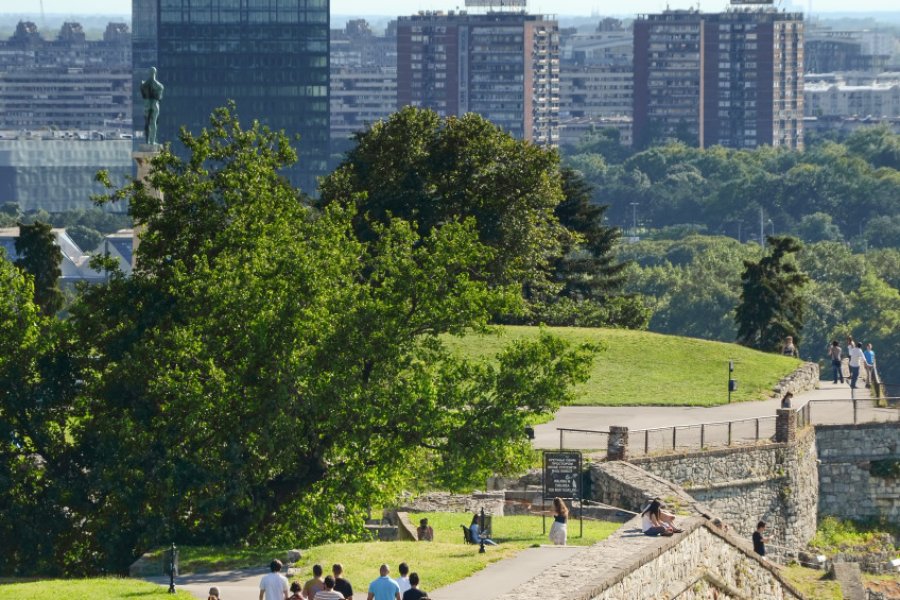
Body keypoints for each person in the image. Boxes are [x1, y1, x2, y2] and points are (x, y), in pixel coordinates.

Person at [140, 66, 165, 145]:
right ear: (155, 73)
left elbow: (143, 95)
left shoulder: (144, 84)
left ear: (149, 73)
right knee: (153, 123)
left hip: (147, 104)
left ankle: (147, 141)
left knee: (147, 123)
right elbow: (159, 97)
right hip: (154, 104)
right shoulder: (159, 86)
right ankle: (152, 141)